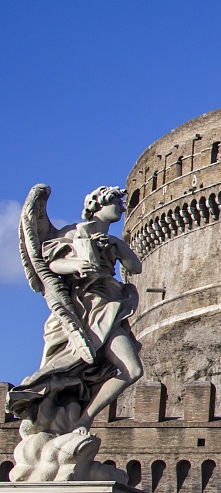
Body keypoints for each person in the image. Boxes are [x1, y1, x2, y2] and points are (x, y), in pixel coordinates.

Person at [8, 185, 143, 435]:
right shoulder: (74, 232)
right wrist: (78, 264)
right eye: (116, 202)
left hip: (110, 306)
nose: (123, 207)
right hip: (83, 308)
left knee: (133, 370)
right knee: (66, 367)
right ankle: (51, 415)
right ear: (98, 205)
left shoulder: (111, 240)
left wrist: (115, 245)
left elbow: (135, 267)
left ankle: (85, 419)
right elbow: (51, 263)